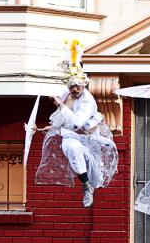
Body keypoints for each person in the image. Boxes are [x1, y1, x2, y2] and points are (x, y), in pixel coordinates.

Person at [35, 79, 118, 208]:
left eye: (77, 86)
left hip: (89, 139)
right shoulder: (65, 94)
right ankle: (86, 185)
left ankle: (94, 178)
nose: (74, 89)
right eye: (71, 86)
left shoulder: (88, 101)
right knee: (72, 148)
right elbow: (63, 120)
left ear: (84, 84)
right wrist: (46, 128)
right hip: (71, 137)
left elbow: (76, 122)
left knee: (96, 181)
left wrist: (59, 103)